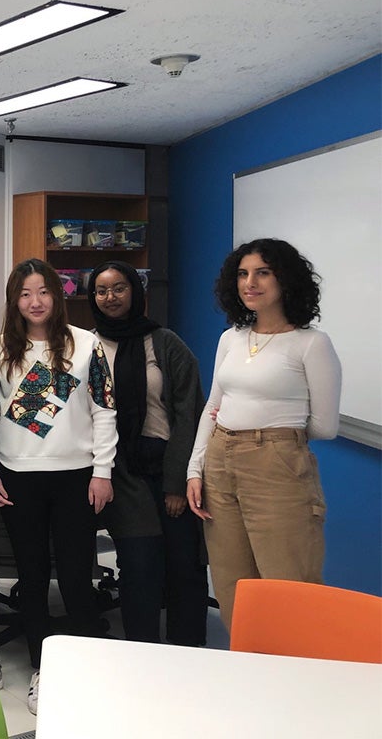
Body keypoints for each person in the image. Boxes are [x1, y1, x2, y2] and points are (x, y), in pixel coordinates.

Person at [0, 258, 117, 716]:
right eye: (25, 293)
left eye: (43, 291)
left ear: (57, 296)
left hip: (77, 477)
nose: (35, 301)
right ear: (13, 301)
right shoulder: (0, 348)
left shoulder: (86, 344)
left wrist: (103, 471)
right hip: (19, 476)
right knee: (33, 575)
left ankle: (85, 665)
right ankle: (43, 667)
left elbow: (105, 410)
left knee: (78, 577)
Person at [186, 238, 340, 631]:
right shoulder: (232, 338)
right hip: (220, 460)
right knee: (232, 585)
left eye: (262, 273)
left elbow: (324, 425)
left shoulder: (311, 343)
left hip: (277, 468)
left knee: (290, 584)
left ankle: (296, 680)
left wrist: (268, 440)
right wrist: (195, 468)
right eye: (242, 274)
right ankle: (248, 674)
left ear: (286, 280)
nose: (249, 283)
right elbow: (213, 405)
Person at [87, 261, 208, 646]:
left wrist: (176, 484)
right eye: (101, 290)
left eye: (119, 288)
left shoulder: (166, 342)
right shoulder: (86, 346)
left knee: (184, 565)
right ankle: (141, 651)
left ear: (135, 292)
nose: (110, 297)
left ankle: (189, 649)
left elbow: (188, 414)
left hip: (170, 464)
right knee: (138, 565)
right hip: (122, 470)